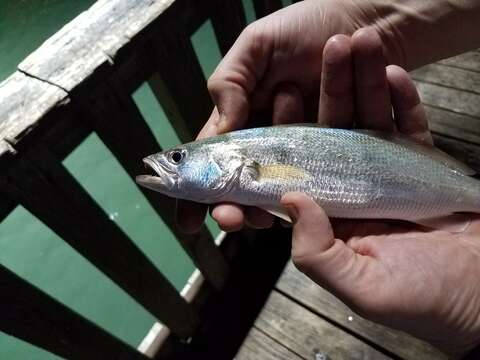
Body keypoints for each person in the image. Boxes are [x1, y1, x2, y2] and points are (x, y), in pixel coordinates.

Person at [177, 0, 480, 356]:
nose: (171, 163)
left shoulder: (252, 164)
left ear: (228, 158)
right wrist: (365, 19)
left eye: (179, 157)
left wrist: (363, 19)